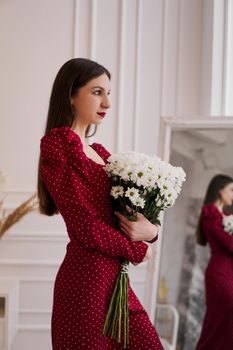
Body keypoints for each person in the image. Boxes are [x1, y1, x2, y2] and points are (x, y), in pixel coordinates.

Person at [37, 58, 163, 349]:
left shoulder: (102, 154)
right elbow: (85, 225)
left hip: (115, 279)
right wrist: (137, 248)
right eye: (97, 92)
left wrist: (151, 231)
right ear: (71, 94)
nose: (107, 101)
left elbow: (126, 217)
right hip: (86, 282)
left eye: (109, 92)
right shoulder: (58, 144)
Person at [195, 174, 233, 350]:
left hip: (229, 271)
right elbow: (230, 244)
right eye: (231, 190)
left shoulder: (226, 215)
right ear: (220, 189)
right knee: (220, 319)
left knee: (221, 319)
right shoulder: (209, 212)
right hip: (220, 272)